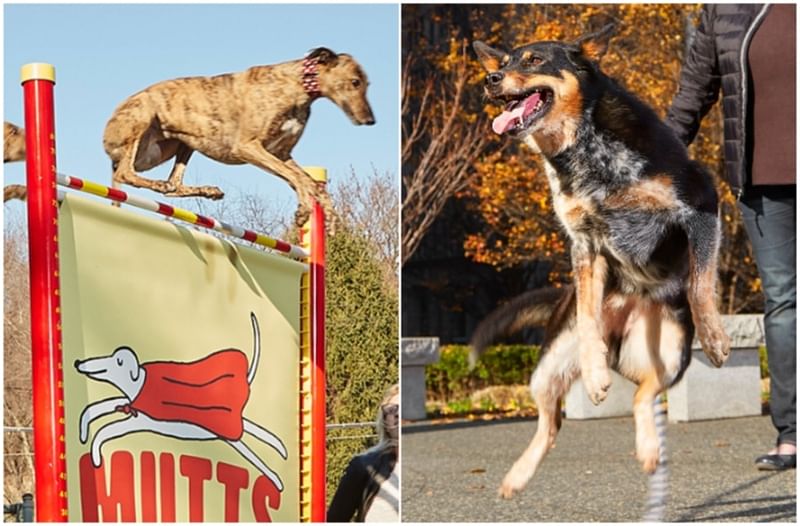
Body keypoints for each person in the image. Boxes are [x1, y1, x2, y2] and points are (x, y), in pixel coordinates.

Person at [667, 4, 796, 470]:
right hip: (763, 186)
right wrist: (654, 158)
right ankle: (792, 434)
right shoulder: (724, 9)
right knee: (784, 302)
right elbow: (693, 93)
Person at [327, 384, 399, 521]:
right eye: (391, 409)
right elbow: (336, 519)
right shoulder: (363, 465)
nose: (397, 414)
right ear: (384, 420)